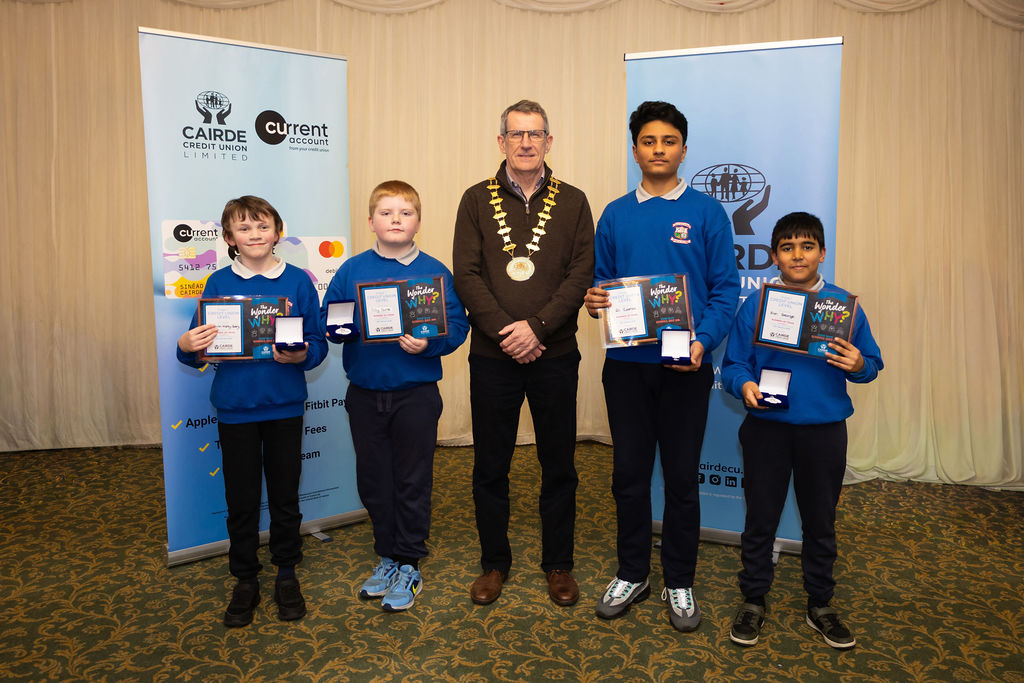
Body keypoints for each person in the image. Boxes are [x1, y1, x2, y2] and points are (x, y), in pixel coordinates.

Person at [584, 101, 739, 631]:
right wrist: (595, 301)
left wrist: (704, 342)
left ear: (683, 150)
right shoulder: (614, 214)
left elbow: (725, 291)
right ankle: (633, 572)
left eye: (668, 141)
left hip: (684, 366)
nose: (658, 149)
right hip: (626, 366)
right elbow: (603, 284)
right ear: (635, 151)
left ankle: (679, 579)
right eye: (648, 141)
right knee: (628, 475)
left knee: (680, 478)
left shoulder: (707, 213)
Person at [453, 100, 595, 607]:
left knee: (559, 465)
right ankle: (494, 563)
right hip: (493, 357)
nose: (526, 142)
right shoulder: (475, 199)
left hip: (555, 354)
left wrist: (536, 328)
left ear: (549, 142)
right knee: (490, 466)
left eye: (535, 134)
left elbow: (581, 273)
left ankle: (558, 563)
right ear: (502, 142)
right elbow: (466, 274)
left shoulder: (574, 201)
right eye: (517, 134)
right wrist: (505, 332)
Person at [722, 211, 883, 649]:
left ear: (822, 253)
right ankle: (753, 598)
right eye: (788, 247)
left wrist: (859, 364)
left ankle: (821, 603)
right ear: (774, 256)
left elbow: (871, 364)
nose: (798, 255)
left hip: (823, 431)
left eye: (807, 246)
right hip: (767, 430)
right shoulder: (757, 304)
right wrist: (744, 385)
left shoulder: (843, 306)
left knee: (820, 521)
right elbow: (733, 365)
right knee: (760, 519)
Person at [177, 195, 328, 627]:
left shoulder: (298, 281)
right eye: (244, 228)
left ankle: (286, 572)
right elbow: (196, 346)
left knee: (285, 495)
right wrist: (186, 346)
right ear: (229, 238)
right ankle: (245, 577)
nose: (255, 234)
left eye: (263, 226)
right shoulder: (218, 282)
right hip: (235, 408)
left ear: (278, 232)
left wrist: (302, 355)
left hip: (284, 407)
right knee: (241, 499)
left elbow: (318, 344)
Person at [321, 180, 468, 612]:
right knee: (374, 481)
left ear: (418, 222)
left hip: (415, 395)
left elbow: (458, 326)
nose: (396, 220)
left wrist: (430, 344)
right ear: (371, 222)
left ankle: (409, 561)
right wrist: (342, 329)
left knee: (412, 480)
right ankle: (386, 555)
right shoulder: (351, 270)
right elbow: (332, 318)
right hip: (365, 394)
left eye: (405, 213)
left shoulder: (435, 272)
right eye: (386, 213)